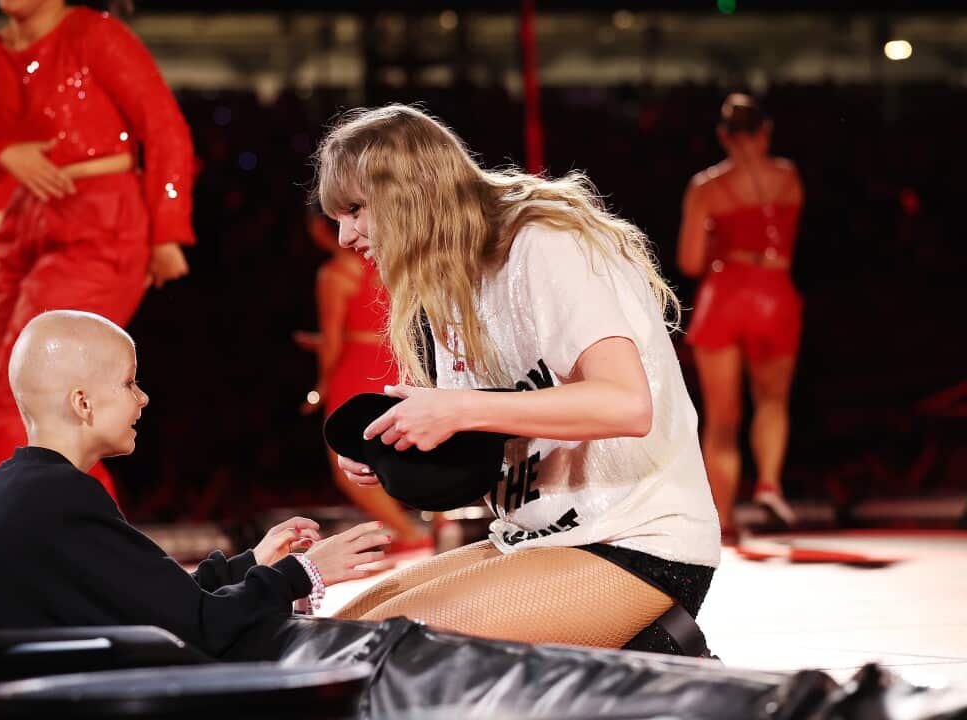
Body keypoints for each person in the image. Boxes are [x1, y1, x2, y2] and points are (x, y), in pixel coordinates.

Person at [313, 105, 720, 653]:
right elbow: (496, 448)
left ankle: (651, 656)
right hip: (530, 541)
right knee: (330, 643)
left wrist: (458, 410)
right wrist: (399, 448)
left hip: (635, 542)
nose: (344, 236)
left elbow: (625, 404)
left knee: (384, 654)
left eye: (356, 210)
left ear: (407, 191)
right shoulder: (449, 282)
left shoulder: (542, 243)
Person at [0, 310, 392, 658]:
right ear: (83, 403)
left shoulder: (14, 490)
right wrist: (306, 571)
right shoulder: (61, 501)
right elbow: (199, 627)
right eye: (130, 384)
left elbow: (149, 595)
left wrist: (251, 563)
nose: (144, 398)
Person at [0, 0, 195, 482]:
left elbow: (164, 127)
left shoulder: (95, 35)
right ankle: (62, 540)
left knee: (36, 405)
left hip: (101, 220)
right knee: (1, 406)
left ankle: (85, 544)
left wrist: (167, 232)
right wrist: (4, 153)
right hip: (26, 223)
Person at [678, 93, 804, 533]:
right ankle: (769, 481)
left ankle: (724, 519)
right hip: (775, 293)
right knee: (771, 400)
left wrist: (717, 244)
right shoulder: (789, 177)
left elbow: (691, 261)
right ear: (766, 131)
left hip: (727, 295)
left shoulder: (706, 187)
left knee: (722, 419)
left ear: (723, 136)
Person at [301, 211, 431, 552]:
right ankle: (437, 522)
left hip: (356, 366)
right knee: (399, 446)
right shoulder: (384, 265)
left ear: (318, 229)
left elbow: (333, 339)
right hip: (393, 359)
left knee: (345, 461)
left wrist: (321, 385)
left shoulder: (334, 274)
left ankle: (408, 533)